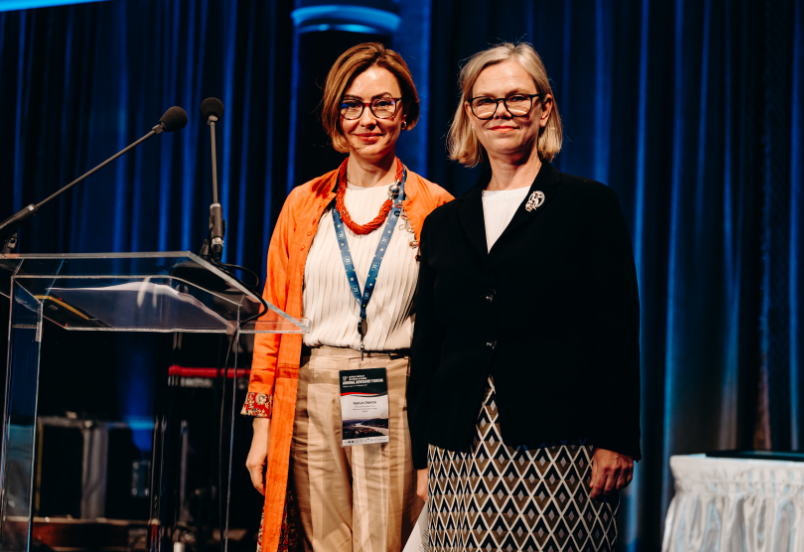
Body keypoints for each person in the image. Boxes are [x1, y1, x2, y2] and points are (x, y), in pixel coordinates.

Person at [407, 42, 641, 552]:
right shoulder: (444, 221)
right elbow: (429, 346)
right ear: (469, 113)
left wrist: (617, 438)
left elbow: (616, 331)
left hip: (559, 442)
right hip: (457, 447)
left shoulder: (589, 205)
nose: (502, 112)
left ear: (544, 107)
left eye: (517, 97)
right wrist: (422, 455)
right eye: (485, 101)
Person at [243, 42, 452, 552]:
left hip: (393, 387)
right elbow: (272, 322)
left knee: (382, 541)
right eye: (352, 105)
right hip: (310, 388)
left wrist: (436, 449)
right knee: (325, 542)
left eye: (383, 103)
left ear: (406, 111)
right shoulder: (302, 204)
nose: (368, 118)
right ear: (336, 114)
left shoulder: (436, 208)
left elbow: (448, 336)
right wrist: (261, 429)